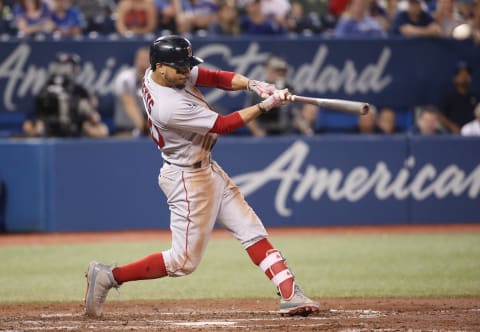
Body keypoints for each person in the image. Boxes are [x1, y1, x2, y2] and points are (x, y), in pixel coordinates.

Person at [84, 35, 320, 318]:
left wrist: (252, 84)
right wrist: (265, 105)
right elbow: (222, 124)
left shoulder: (160, 73)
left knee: (250, 229)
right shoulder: (168, 106)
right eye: (180, 68)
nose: (186, 72)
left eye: (187, 66)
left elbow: (213, 77)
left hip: (205, 167)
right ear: (160, 67)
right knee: (182, 262)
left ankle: (290, 292)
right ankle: (110, 276)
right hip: (187, 179)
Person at [22, 52, 109, 138]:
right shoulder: (45, 90)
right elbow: (35, 115)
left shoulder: (79, 90)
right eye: (61, 66)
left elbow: (92, 116)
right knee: (29, 126)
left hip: (75, 129)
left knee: (101, 130)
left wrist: (90, 114)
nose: (64, 70)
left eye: (68, 67)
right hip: (48, 130)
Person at [245, 55, 314, 136]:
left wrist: (303, 124)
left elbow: (296, 111)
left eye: (283, 71)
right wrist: (258, 132)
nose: (280, 74)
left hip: (288, 132)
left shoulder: (289, 88)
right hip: (266, 132)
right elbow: (248, 114)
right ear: (269, 71)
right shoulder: (261, 88)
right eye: (277, 71)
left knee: (310, 107)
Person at [113, 47, 150, 136]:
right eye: (141, 59)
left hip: (151, 132)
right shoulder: (126, 78)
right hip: (126, 131)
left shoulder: (156, 80)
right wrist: (146, 130)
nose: (143, 62)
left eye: (146, 59)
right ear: (136, 60)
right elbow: (129, 105)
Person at [439, 61, 479, 134]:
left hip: (473, 134)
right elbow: (440, 115)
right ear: (455, 78)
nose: (464, 76)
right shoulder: (449, 96)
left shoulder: (475, 97)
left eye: (467, 74)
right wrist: (452, 126)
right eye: (461, 74)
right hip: (453, 134)